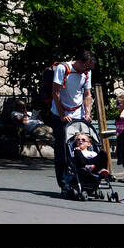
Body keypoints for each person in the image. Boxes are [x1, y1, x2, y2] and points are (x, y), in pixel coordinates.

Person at [47, 51, 95, 191]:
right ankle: (63, 182)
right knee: (62, 150)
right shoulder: (63, 68)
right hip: (60, 114)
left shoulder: (86, 73)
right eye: (86, 67)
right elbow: (55, 92)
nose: (87, 71)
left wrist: (87, 113)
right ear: (79, 62)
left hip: (78, 114)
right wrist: (62, 114)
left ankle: (81, 179)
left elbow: (87, 94)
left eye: (89, 69)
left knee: (80, 147)